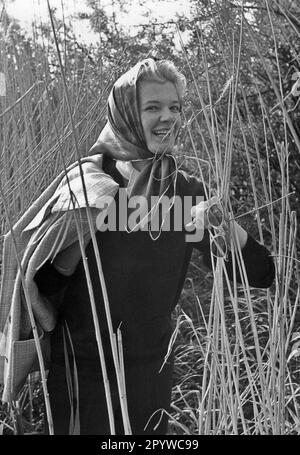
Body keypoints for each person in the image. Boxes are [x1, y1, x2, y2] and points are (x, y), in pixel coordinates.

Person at [33, 58, 275, 435]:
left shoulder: (185, 195)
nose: (168, 117)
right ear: (126, 113)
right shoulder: (89, 184)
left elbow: (260, 274)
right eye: (153, 107)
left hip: (151, 373)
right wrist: (74, 243)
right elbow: (41, 287)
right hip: (80, 370)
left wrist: (224, 227)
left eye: (174, 107)